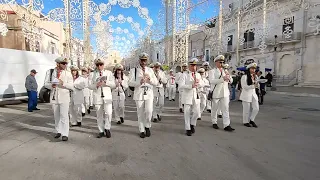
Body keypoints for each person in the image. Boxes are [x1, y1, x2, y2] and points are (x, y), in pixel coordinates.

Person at [128, 53, 158, 138]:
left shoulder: (150, 70)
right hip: (139, 93)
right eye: (142, 60)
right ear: (139, 61)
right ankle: (141, 129)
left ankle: (147, 126)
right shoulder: (134, 70)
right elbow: (130, 82)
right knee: (140, 113)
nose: (144, 62)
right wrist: (139, 82)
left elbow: (156, 82)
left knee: (149, 111)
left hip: (148, 93)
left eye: (145, 60)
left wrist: (150, 79)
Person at [44, 57, 74, 141]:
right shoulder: (50, 72)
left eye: (66, 63)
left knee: (64, 116)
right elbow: (45, 84)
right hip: (54, 97)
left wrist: (63, 83)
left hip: (64, 97)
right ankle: (58, 131)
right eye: (63, 63)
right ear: (58, 64)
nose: (65, 65)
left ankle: (65, 134)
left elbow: (72, 86)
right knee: (56, 116)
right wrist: (51, 86)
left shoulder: (68, 73)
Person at [88, 59, 115, 138]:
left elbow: (113, 85)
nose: (99, 66)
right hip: (97, 96)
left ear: (103, 64)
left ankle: (107, 127)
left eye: (101, 64)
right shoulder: (92, 74)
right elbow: (89, 86)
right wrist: (96, 85)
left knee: (108, 113)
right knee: (99, 115)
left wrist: (106, 83)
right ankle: (101, 130)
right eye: (97, 65)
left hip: (107, 96)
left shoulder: (109, 73)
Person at [208, 55, 235, 132]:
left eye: (223, 62)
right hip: (216, 92)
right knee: (214, 109)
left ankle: (227, 125)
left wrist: (229, 78)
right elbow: (212, 81)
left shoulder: (225, 71)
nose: (221, 63)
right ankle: (214, 122)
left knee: (226, 109)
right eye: (220, 62)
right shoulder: (212, 71)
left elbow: (231, 80)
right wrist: (222, 79)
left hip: (225, 93)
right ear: (216, 62)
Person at [179, 58, 204, 136]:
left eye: (195, 65)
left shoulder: (198, 74)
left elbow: (202, 84)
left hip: (195, 96)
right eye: (192, 65)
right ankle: (188, 128)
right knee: (187, 113)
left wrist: (199, 83)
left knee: (196, 112)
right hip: (187, 96)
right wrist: (191, 85)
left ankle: (192, 124)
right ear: (189, 66)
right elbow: (181, 85)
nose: (194, 67)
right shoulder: (184, 74)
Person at [240, 61, 259, 128]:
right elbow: (244, 87)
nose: (253, 70)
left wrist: (257, 85)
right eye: (252, 68)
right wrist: (253, 86)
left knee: (256, 108)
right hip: (246, 95)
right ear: (249, 69)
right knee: (246, 110)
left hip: (253, 94)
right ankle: (245, 121)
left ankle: (252, 119)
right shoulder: (244, 77)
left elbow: (256, 84)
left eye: (254, 69)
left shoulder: (255, 76)